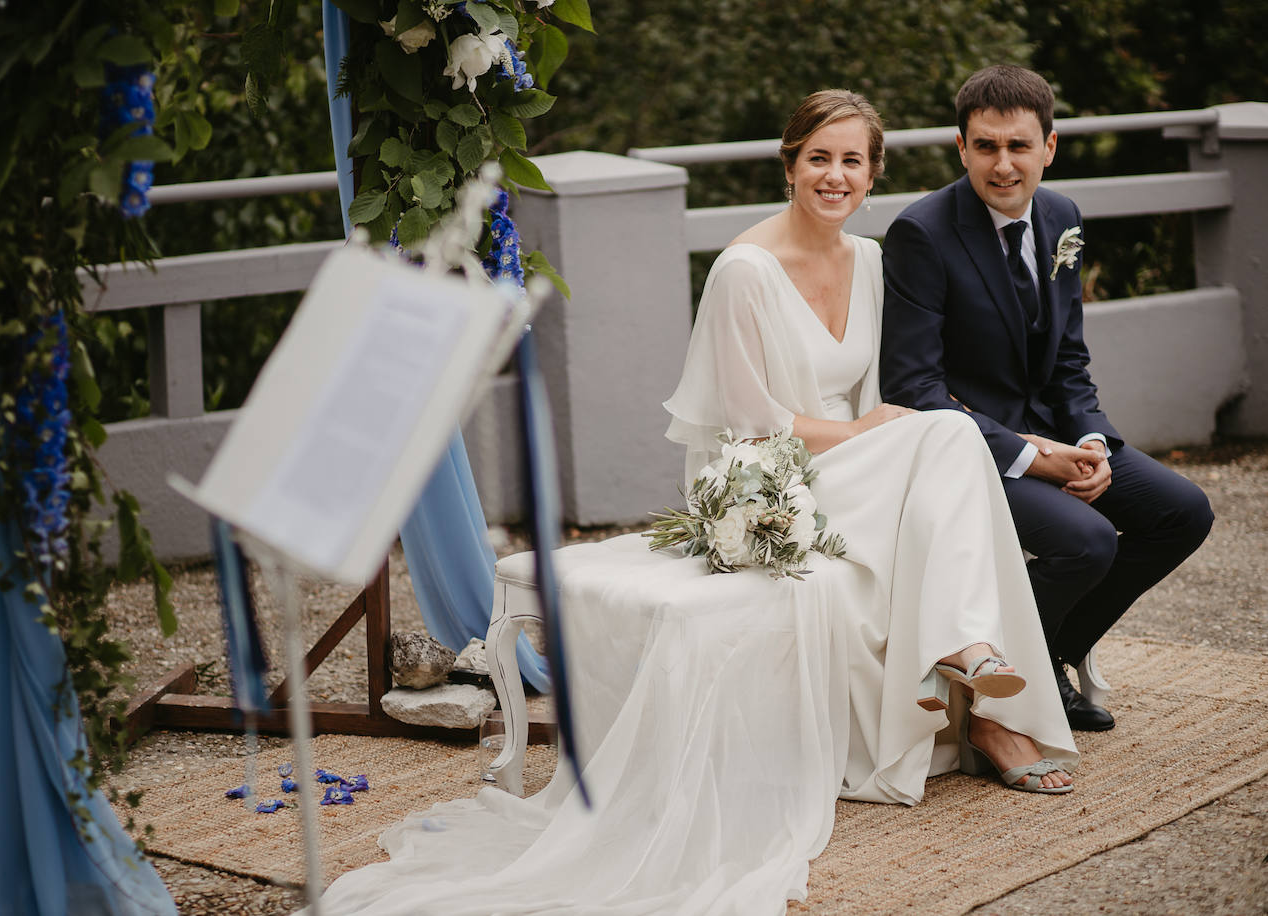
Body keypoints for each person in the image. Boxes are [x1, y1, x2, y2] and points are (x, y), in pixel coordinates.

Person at [308, 90, 1075, 916]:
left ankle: (962, 653)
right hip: (762, 478)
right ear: (789, 167)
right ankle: (966, 657)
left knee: (946, 438)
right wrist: (867, 435)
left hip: (856, 468)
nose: (835, 175)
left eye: (852, 161)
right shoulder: (744, 270)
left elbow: (877, 395)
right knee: (949, 434)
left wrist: (879, 437)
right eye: (819, 158)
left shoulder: (872, 260)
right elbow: (750, 424)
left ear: (873, 173)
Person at [879, 65, 1214, 731]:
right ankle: (1004, 681)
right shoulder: (922, 233)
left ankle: (1049, 651)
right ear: (961, 147)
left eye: (1019, 146)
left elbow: (1067, 359)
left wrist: (1090, 441)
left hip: (1058, 432)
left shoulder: (1062, 216)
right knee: (1087, 541)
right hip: (970, 448)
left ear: (1049, 147)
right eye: (986, 146)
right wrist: (1033, 457)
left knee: (1183, 512)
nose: (1003, 165)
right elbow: (913, 388)